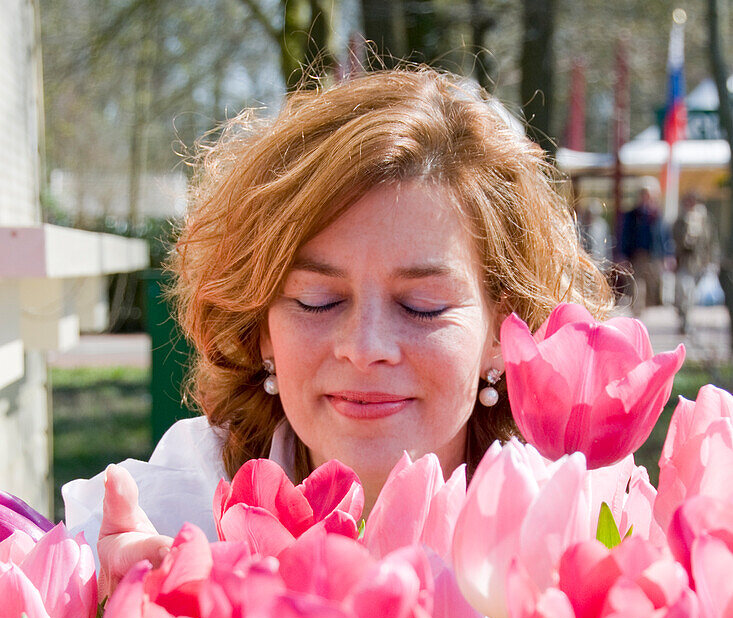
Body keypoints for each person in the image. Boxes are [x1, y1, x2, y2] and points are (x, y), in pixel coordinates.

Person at [63, 66, 613, 589]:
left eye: (421, 305)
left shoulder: (583, 526)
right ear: (261, 329)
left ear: (504, 333)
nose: (364, 347)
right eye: (317, 300)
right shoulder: (171, 514)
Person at [620, 180, 668, 314]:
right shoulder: (632, 214)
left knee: (652, 285)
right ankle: (637, 310)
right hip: (637, 255)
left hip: (653, 255)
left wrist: (666, 255)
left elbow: (663, 235)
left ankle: (648, 309)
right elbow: (625, 234)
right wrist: (623, 254)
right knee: (637, 284)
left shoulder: (657, 214)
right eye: (644, 194)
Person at [672, 192, 716, 333]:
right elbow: (677, 241)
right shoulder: (680, 221)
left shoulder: (705, 221)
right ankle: (684, 318)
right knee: (684, 291)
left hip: (699, 263)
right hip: (684, 262)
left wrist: (712, 260)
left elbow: (711, 242)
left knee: (692, 294)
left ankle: (686, 315)